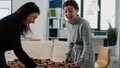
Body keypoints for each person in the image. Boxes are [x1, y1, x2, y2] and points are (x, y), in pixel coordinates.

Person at [0, 2, 40, 68]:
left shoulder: (14, 20)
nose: (33, 21)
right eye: (34, 17)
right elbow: (18, 50)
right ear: (27, 13)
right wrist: (33, 66)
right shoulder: (14, 21)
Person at [63, 0, 95, 68]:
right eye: (65, 11)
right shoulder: (68, 24)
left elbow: (87, 46)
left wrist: (81, 61)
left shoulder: (84, 24)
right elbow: (70, 43)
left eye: (70, 11)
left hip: (85, 56)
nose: (68, 13)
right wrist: (67, 56)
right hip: (75, 54)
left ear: (77, 11)